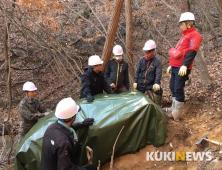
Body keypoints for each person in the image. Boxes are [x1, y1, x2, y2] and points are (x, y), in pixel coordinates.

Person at [166, 12, 202, 121]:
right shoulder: (184, 36)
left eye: (182, 24)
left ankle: (177, 113)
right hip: (175, 66)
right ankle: (173, 107)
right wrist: (171, 65)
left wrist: (185, 65)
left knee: (178, 88)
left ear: (189, 23)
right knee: (172, 87)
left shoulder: (195, 35)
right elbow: (178, 51)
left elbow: (192, 52)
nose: (180, 26)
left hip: (182, 67)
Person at [41, 97, 94, 170]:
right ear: (72, 117)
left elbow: (66, 128)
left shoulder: (51, 128)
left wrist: (81, 124)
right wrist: (85, 169)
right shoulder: (63, 143)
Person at [133, 40, 163, 106]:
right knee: (137, 96)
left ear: (153, 51)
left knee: (159, 91)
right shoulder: (141, 60)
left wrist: (156, 83)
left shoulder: (157, 61)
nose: (146, 54)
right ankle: (139, 108)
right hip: (141, 82)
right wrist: (135, 81)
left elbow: (158, 73)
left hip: (151, 83)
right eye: (145, 52)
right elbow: (137, 71)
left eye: (148, 52)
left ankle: (157, 108)